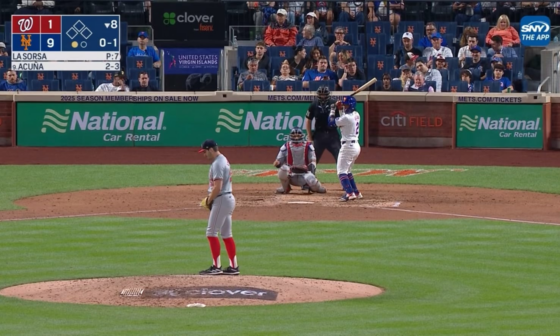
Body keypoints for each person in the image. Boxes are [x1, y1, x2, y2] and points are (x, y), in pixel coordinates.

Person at [198, 139, 239, 276]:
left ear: (211, 149)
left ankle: (216, 266)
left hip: (221, 199)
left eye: (205, 152)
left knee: (211, 233)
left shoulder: (217, 163)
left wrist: (209, 201)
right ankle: (234, 266)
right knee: (227, 234)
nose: (204, 155)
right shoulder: (223, 159)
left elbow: (217, 187)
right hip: (227, 199)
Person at [328, 96, 363, 202]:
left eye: (346, 105)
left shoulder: (347, 118)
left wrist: (333, 109)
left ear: (351, 106)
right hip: (355, 146)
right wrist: (340, 108)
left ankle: (350, 193)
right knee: (347, 171)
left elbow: (331, 123)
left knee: (341, 172)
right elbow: (343, 118)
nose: (345, 106)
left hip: (348, 147)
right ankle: (356, 192)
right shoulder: (356, 115)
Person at [273, 128, 327, 194]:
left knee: (312, 180)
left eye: (298, 136)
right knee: (283, 168)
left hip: (304, 174)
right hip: (291, 175)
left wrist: (311, 172)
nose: (296, 138)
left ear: (302, 136)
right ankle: (285, 188)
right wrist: (277, 163)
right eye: (294, 136)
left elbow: (313, 162)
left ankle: (317, 188)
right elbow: (279, 161)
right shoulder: (285, 146)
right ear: (290, 136)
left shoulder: (308, 146)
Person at [305, 86, 341, 164]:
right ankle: (310, 175)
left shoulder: (334, 103)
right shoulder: (314, 104)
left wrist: (340, 107)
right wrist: (309, 137)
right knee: (313, 158)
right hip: (319, 134)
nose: (323, 96)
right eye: (321, 95)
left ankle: (343, 175)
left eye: (324, 95)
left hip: (332, 134)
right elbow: (308, 120)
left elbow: (341, 119)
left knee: (339, 157)